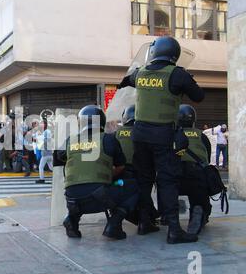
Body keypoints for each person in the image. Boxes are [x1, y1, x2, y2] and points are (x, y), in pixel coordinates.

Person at [118, 36, 204, 244]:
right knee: (167, 181)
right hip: (164, 137)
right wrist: (187, 80)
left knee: (144, 180)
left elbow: (123, 82)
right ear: (174, 54)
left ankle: (144, 221)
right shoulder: (177, 74)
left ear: (155, 52)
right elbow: (199, 96)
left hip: (140, 135)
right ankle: (173, 229)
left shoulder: (140, 73)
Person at [57, 105, 139, 240]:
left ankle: (72, 219)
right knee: (132, 185)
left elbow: (62, 157)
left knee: (80, 188)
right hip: (100, 197)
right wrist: (107, 175)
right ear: (101, 121)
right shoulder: (108, 139)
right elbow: (120, 167)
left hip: (72, 200)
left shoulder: (70, 141)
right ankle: (114, 224)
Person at [115, 105, 160, 229]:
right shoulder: (149, 134)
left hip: (119, 178)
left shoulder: (115, 134)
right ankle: (145, 220)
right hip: (141, 175)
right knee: (145, 188)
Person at [178, 104, 212, 235]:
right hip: (197, 176)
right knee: (200, 196)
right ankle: (198, 210)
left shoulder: (172, 135)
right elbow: (207, 159)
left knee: (165, 188)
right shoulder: (201, 136)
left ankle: (168, 214)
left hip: (176, 177)